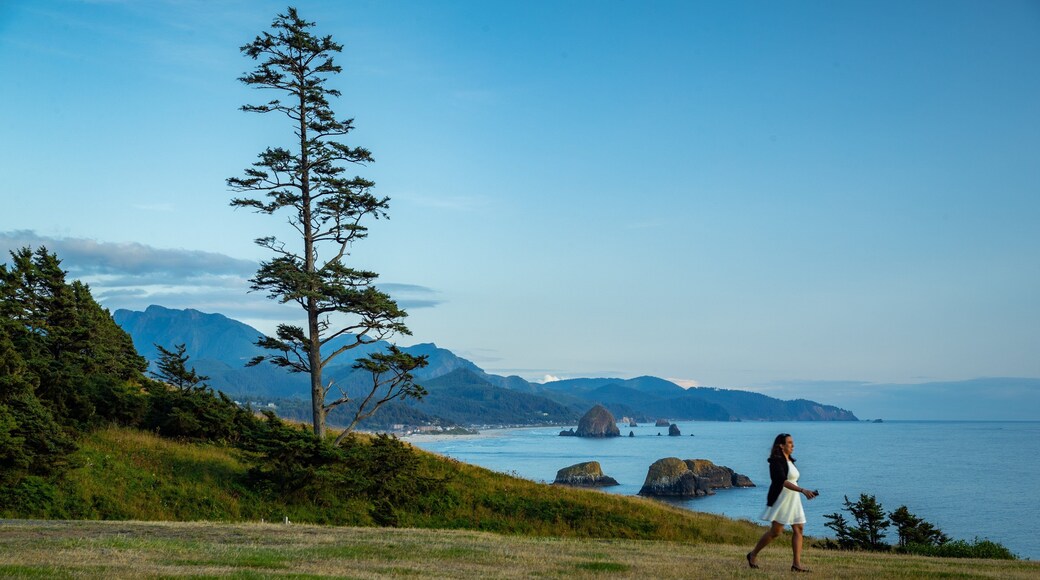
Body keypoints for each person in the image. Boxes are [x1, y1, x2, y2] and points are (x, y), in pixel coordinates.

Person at [746, 433, 817, 572]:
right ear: (781, 445)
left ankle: (796, 565)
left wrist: (805, 491)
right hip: (782, 499)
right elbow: (782, 481)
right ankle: (752, 554)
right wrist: (802, 490)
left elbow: (793, 479)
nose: (793, 445)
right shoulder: (775, 461)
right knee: (776, 532)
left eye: (792, 442)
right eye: (790, 443)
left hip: (794, 499)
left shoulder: (790, 460)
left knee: (799, 528)